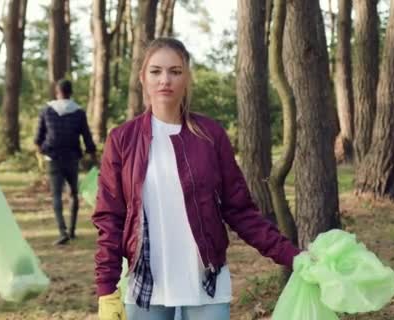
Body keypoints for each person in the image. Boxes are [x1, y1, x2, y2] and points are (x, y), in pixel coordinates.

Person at [92, 38, 301, 320]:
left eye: (175, 71)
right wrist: (106, 287)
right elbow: (110, 217)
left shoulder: (210, 135)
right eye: (155, 71)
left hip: (206, 283)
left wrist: (291, 256)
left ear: (187, 77)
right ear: (142, 78)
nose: (165, 79)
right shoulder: (122, 140)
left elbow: (240, 210)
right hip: (145, 287)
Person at [35, 79, 97, 245]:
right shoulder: (78, 112)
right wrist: (92, 154)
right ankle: (72, 230)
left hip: (53, 157)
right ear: (71, 93)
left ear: (57, 92)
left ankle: (62, 231)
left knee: (56, 194)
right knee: (73, 193)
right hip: (72, 157)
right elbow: (87, 137)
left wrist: (41, 149)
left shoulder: (47, 111)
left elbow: (38, 138)